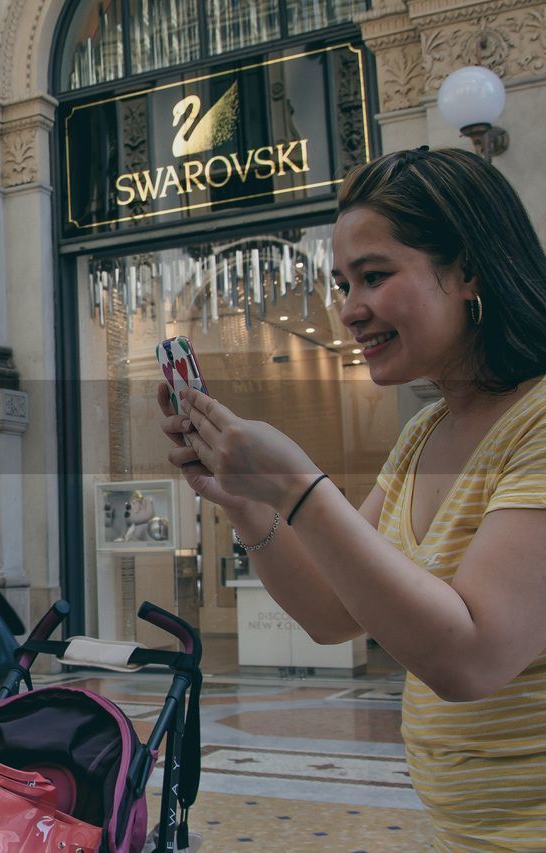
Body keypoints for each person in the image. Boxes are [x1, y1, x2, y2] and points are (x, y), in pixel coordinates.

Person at [157, 147, 546, 847]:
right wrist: (246, 504)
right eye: (342, 283)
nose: (350, 311)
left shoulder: (540, 420)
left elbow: (473, 656)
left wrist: (298, 487)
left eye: (374, 276)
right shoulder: (426, 432)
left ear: (469, 270)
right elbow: (334, 614)